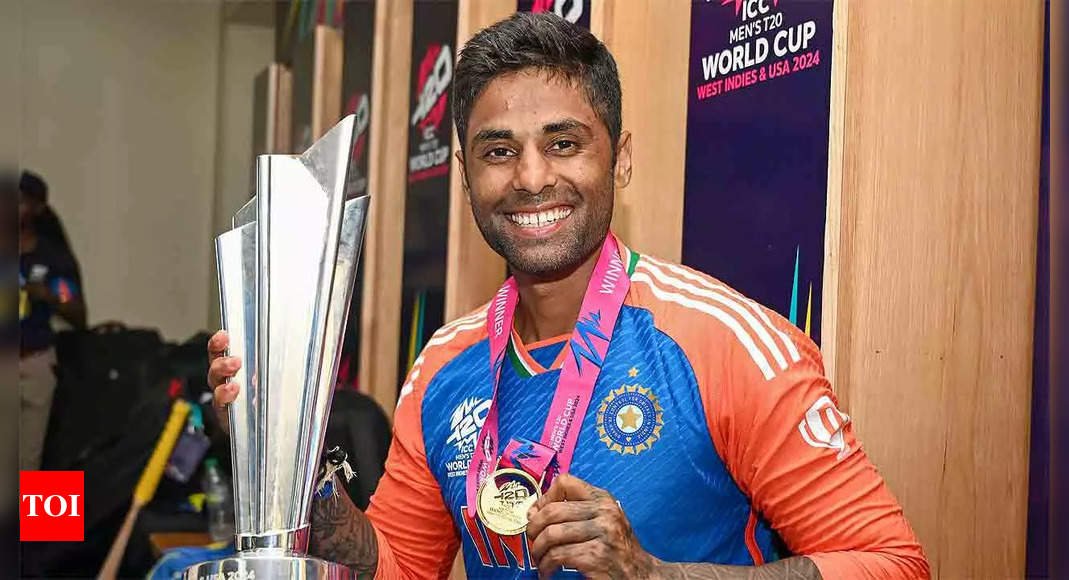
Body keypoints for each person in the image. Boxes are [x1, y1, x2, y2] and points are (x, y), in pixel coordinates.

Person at [209, 13, 929, 579]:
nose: (530, 179)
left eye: (563, 144)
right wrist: (286, 450)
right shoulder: (443, 364)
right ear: (465, 174)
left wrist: (655, 576)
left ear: (619, 159)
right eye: (498, 151)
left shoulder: (723, 343)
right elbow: (399, 567)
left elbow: (893, 564)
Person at [19, 171, 87, 471]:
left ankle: (35, 506)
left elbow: (77, 312)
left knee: (30, 460)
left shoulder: (51, 257)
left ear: (37, 207)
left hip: (34, 364)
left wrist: (47, 294)